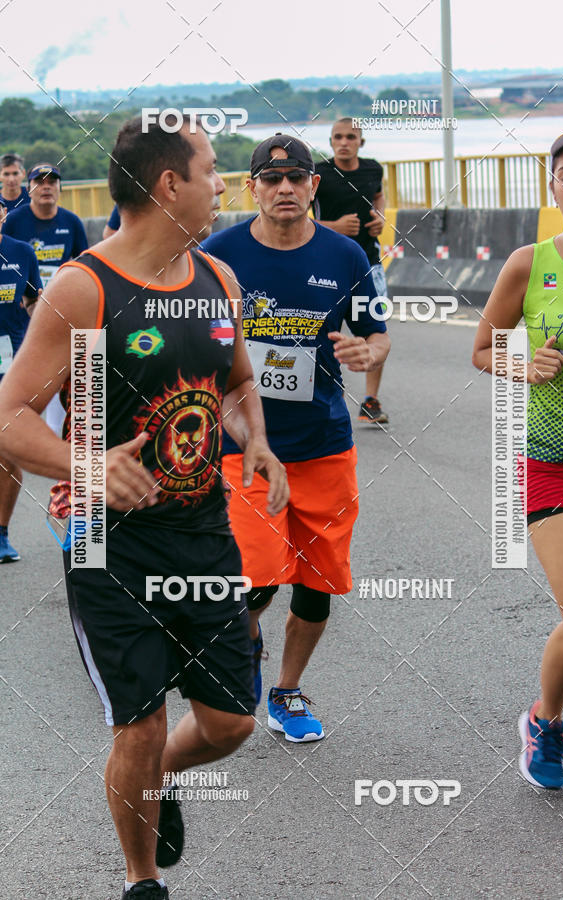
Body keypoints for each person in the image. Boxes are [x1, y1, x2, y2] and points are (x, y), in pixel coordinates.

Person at [0, 116, 288, 898]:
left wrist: (254, 439)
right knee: (141, 721)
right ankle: (141, 881)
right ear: (169, 184)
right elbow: (11, 415)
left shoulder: (216, 281)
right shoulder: (84, 289)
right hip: (104, 541)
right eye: (212, 169)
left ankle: (156, 779)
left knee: (230, 723)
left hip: (202, 534)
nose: (224, 183)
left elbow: (235, 384)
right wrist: (88, 464)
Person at [202, 133, 390, 742]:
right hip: (245, 447)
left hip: (323, 444)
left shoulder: (346, 258)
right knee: (255, 579)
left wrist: (367, 350)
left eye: (297, 179)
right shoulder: (217, 256)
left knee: (317, 583)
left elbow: (377, 335)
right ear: (251, 187)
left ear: (314, 185)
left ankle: (287, 691)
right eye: (271, 179)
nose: (285, 189)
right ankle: (245, 647)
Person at [472, 125, 563, 790]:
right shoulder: (530, 263)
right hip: (558, 468)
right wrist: (525, 362)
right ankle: (543, 722)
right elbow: (483, 350)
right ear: (553, 187)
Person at [3, 163, 88, 436]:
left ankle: (58, 434)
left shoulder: (71, 222)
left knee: (60, 369)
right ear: (30, 189)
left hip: (57, 306)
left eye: (52, 182)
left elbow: (85, 264)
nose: (47, 187)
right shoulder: (15, 222)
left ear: (60, 188)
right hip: (21, 311)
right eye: (40, 182)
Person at [314, 118, 389, 424]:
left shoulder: (373, 169)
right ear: (331, 142)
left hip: (368, 264)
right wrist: (335, 228)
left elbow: (379, 196)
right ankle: (332, 393)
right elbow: (298, 218)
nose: (344, 142)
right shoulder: (318, 173)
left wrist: (380, 217)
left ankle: (370, 401)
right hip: (324, 263)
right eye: (338, 137)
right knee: (326, 331)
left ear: (361, 141)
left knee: (376, 330)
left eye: (350, 137)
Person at [0, 195, 42, 561]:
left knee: (7, 448)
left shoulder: (21, 252)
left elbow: (32, 299)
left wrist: (42, 308)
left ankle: (1, 533)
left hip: (10, 363)